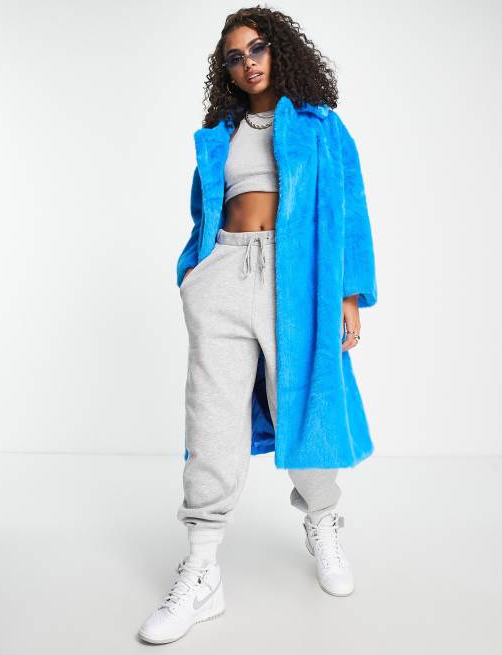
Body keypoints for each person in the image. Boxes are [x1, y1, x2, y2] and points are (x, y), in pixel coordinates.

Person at [138, 6, 378, 644]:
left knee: (304, 407)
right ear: (225, 70)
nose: (248, 63)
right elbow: (203, 211)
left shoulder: (321, 126)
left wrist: (349, 295)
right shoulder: (218, 134)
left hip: (295, 279)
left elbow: (350, 208)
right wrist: (194, 272)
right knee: (211, 419)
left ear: (281, 51)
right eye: (235, 57)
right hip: (222, 275)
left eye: (258, 48)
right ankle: (202, 569)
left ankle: (322, 519)